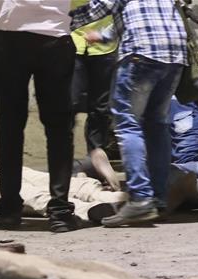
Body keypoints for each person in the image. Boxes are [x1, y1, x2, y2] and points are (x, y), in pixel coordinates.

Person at [69, 0, 189, 227]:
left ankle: (141, 198)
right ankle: (159, 200)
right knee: (156, 124)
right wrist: (102, 35)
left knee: (128, 123)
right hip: (174, 54)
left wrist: (56, 19)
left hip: (141, 54)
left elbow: (99, 8)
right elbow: (134, 18)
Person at [0, 0, 80, 233]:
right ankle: (59, 211)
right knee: (59, 127)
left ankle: (9, 210)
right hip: (54, 36)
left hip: (10, 37)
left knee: (9, 125)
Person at [70, 1, 119, 159]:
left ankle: (96, 160)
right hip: (72, 43)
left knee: (100, 109)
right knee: (70, 103)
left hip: (104, 47)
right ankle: (63, 159)